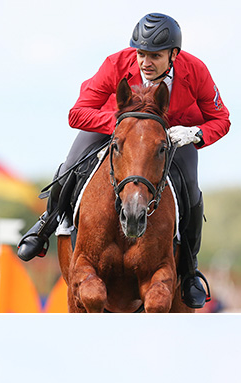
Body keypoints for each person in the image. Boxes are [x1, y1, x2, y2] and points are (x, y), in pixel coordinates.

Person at [17, 12, 230, 308]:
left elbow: (221, 119)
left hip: (170, 135)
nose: (145, 62)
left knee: (191, 187)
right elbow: (77, 113)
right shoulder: (116, 63)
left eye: (155, 55)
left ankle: (190, 269)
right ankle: (45, 225)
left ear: (174, 55)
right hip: (115, 126)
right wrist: (121, 124)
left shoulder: (195, 71)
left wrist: (196, 134)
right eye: (141, 53)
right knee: (70, 166)